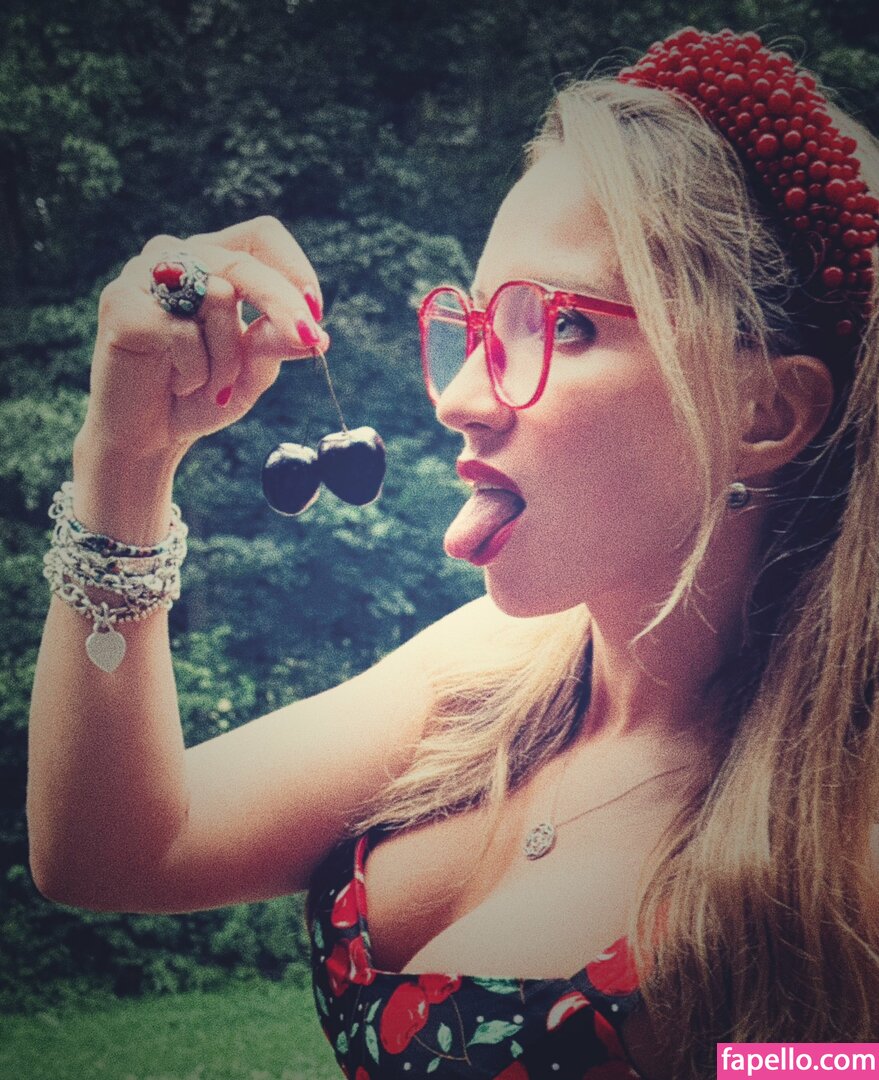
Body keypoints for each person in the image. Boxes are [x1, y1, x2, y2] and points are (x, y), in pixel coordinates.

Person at [26, 27, 879, 1080]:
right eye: (475, 326)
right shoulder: (484, 673)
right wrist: (125, 456)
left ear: (766, 411)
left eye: (559, 326)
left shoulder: (840, 855)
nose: (461, 399)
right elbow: (110, 849)